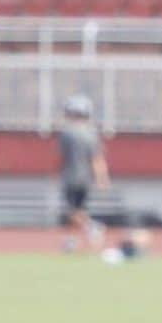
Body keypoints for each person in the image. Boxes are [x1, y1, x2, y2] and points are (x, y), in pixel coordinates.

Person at [56, 93, 109, 251]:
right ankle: (70, 242)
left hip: (71, 177)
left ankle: (92, 227)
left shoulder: (67, 134)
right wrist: (101, 178)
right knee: (77, 211)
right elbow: (97, 158)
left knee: (73, 212)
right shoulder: (92, 134)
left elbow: (61, 157)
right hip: (86, 179)